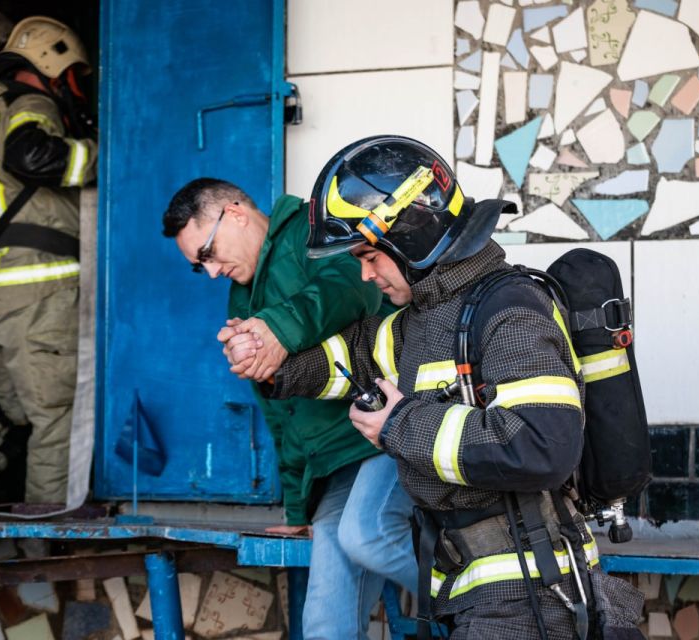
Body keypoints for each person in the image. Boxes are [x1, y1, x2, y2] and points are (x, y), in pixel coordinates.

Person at [248, 136, 645, 639]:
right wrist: (273, 364)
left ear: (410, 237)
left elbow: (542, 447)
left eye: (370, 257)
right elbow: (355, 356)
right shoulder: (426, 320)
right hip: (477, 595)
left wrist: (399, 424)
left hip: (532, 601)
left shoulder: (512, 311)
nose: (365, 275)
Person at [162, 178, 418, 639]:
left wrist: (277, 330)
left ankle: (494, 595)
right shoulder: (241, 298)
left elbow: (350, 290)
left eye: (209, 253)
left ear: (235, 213)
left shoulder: (312, 227)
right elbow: (282, 416)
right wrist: (297, 511)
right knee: (325, 626)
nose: (213, 272)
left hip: (390, 437)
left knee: (369, 537)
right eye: (201, 267)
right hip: (334, 466)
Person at [0, 16, 97, 504]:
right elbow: (31, 156)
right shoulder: (32, 103)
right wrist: (102, 155)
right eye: (72, 76)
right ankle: (45, 536)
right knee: (57, 417)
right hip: (39, 297)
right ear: (51, 64)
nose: (74, 88)